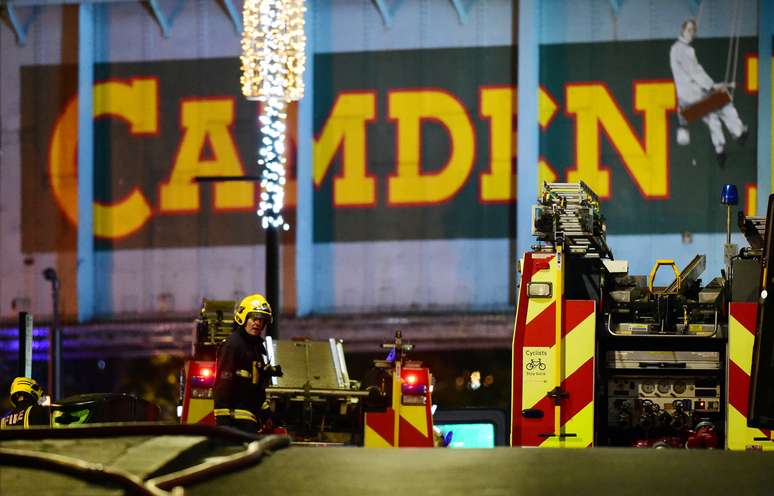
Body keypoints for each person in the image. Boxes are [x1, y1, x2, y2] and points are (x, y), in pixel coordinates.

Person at [669, 18, 747, 166]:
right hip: (692, 102)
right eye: (689, 30)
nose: (691, 33)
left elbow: (693, 74)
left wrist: (713, 86)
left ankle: (720, 151)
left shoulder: (676, 49)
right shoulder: (685, 50)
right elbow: (695, 72)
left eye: (693, 30)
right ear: (683, 30)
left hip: (687, 108)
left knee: (712, 116)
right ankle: (739, 133)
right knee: (724, 102)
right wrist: (713, 86)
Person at [213, 293, 282, 433]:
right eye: (254, 318)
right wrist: (223, 423)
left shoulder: (255, 348)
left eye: (261, 320)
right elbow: (222, 385)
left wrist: (267, 415)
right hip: (236, 421)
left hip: (250, 420)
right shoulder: (233, 345)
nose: (258, 323)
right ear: (243, 318)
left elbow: (256, 389)